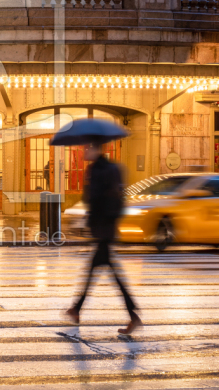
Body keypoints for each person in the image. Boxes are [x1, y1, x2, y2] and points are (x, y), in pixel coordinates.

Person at [66, 142, 142, 335]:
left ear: (95, 149)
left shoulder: (99, 171)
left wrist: (89, 186)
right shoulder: (112, 168)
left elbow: (93, 199)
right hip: (106, 228)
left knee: (106, 273)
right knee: (99, 271)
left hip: (103, 228)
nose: (83, 151)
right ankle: (77, 309)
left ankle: (132, 315)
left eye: (86, 148)